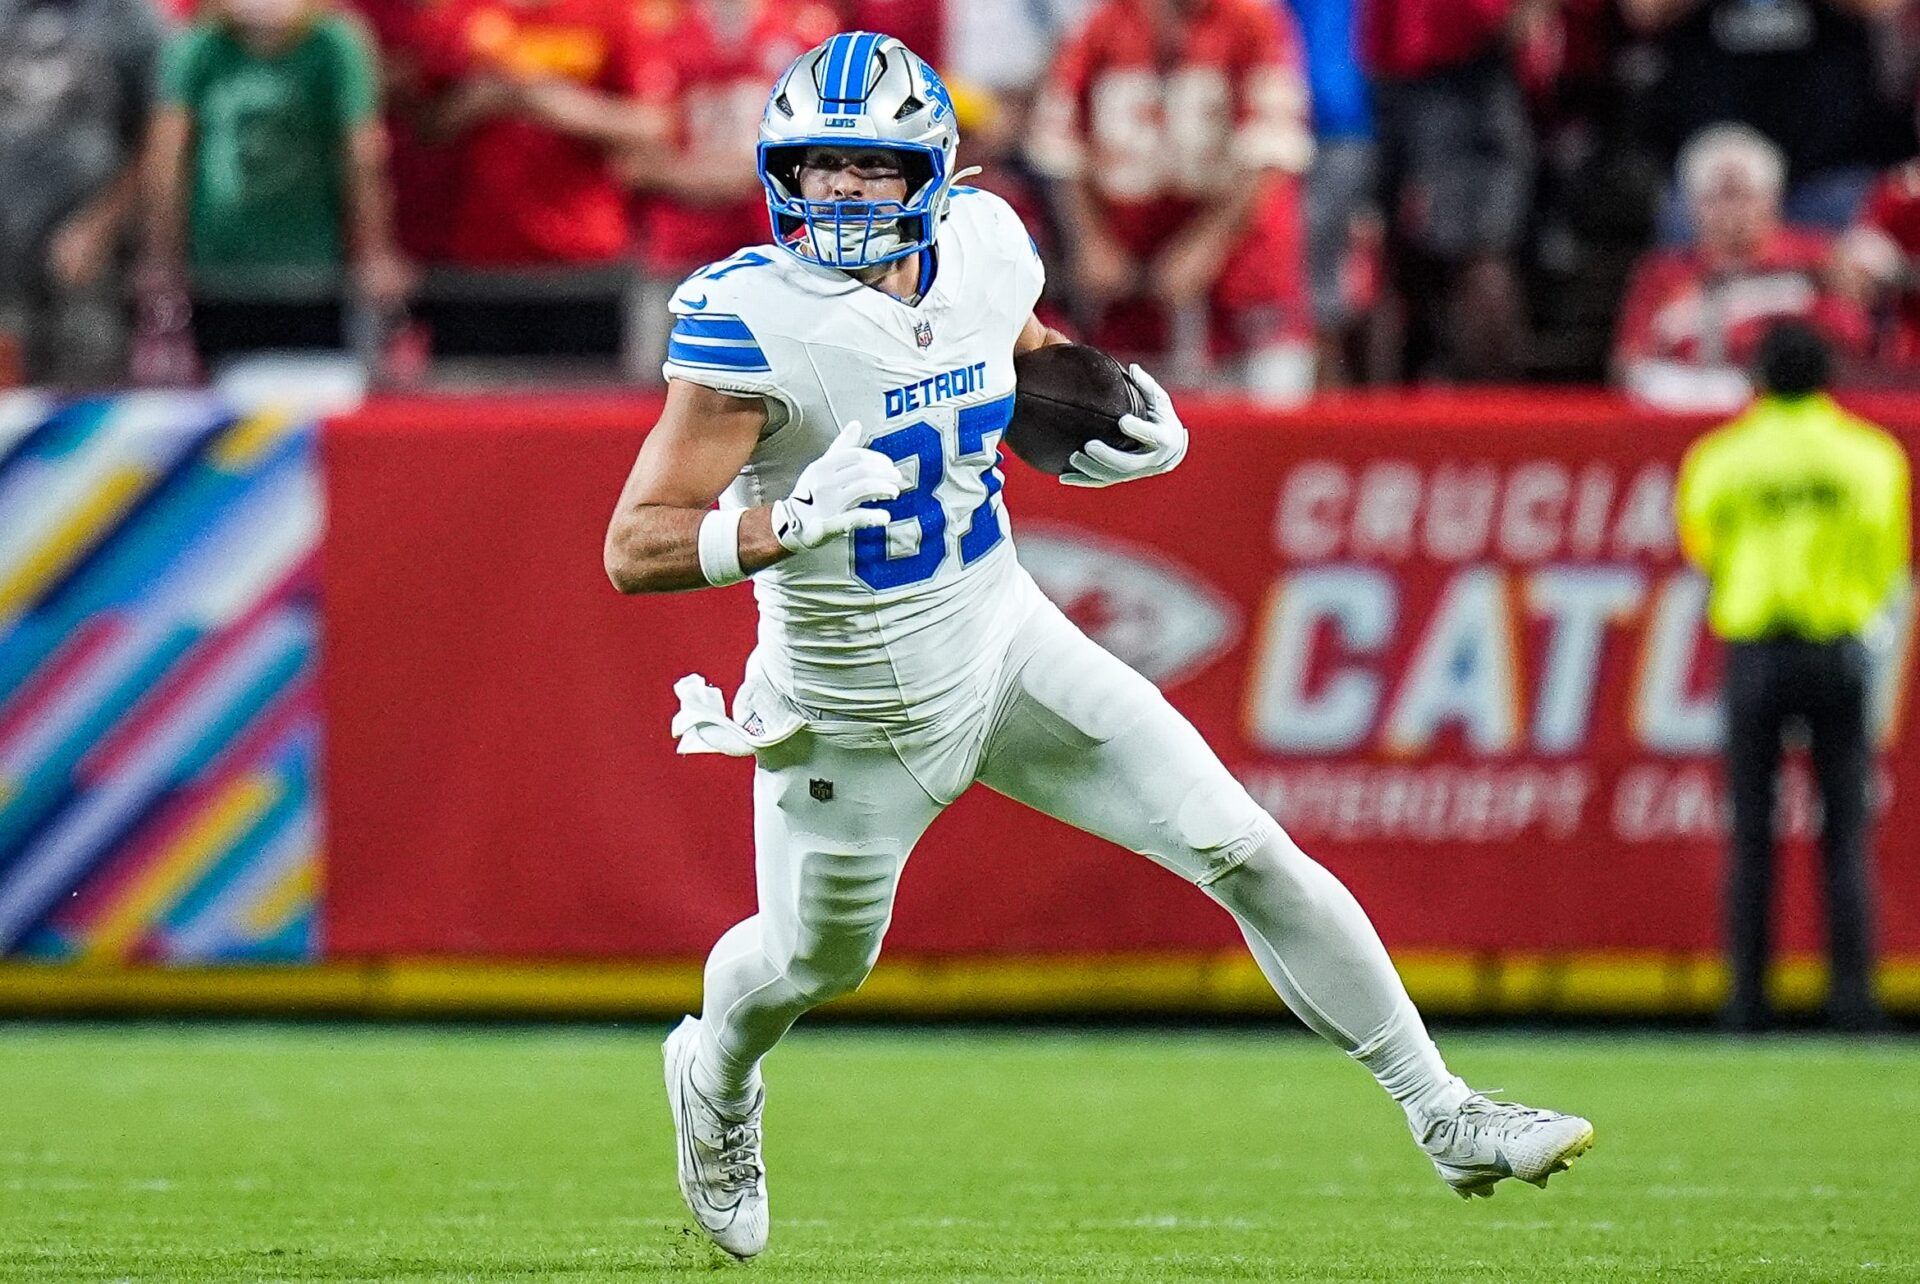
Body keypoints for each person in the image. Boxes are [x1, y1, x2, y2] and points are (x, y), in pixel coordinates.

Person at [602, 31, 1594, 1262]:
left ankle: (1444, 1113)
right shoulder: (746, 320)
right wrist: (776, 522)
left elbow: (1018, 366)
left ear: (935, 173)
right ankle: (714, 1075)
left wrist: (1113, 405)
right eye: (818, 168)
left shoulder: (985, 246)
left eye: (870, 167)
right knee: (811, 963)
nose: (842, 193)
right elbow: (635, 544)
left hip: (1001, 631)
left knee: (1241, 843)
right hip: (850, 704)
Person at [1676, 321, 1908, 1033]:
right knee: (1844, 833)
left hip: (1757, 651)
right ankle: (1854, 1002)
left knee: (1751, 832)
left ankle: (1747, 1003)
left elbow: (1700, 543)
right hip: (1837, 649)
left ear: (1757, 379)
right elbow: (1886, 553)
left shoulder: (1723, 456)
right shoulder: (1869, 456)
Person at [1026, 0, 1316, 403]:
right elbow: (1059, 144)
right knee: (1131, 433)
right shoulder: (1101, 24)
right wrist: (1090, 239)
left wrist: (1208, 244)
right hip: (1132, 289)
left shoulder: (1254, 22)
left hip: (1243, 289)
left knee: (1262, 435)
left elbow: (1271, 151)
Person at [140, 0, 408, 372]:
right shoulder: (197, 47)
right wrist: (163, 259)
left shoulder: (335, 44)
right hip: (218, 275)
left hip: (316, 274)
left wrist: (376, 253)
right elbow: (166, 162)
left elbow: (363, 156)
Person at [1614, 124, 1867, 412]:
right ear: (1693, 207)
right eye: (1717, 198)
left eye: (1742, 195)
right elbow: (1629, 362)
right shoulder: (1662, 274)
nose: (1731, 211)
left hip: (1789, 411)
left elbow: (1851, 343)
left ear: (1771, 198)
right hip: (1682, 413)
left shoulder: (1819, 261)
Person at [1362, 0, 1534, 380]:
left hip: (1447, 80)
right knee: (1457, 263)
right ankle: (1482, 417)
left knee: (1472, 262)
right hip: (1439, 81)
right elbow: (1506, 20)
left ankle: (1485, 417)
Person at [0, 0, 165, 387]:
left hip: (90, 264)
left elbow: (158, 140)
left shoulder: (129, 19)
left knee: (86, 410)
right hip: (7, 254)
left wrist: (100, 226)